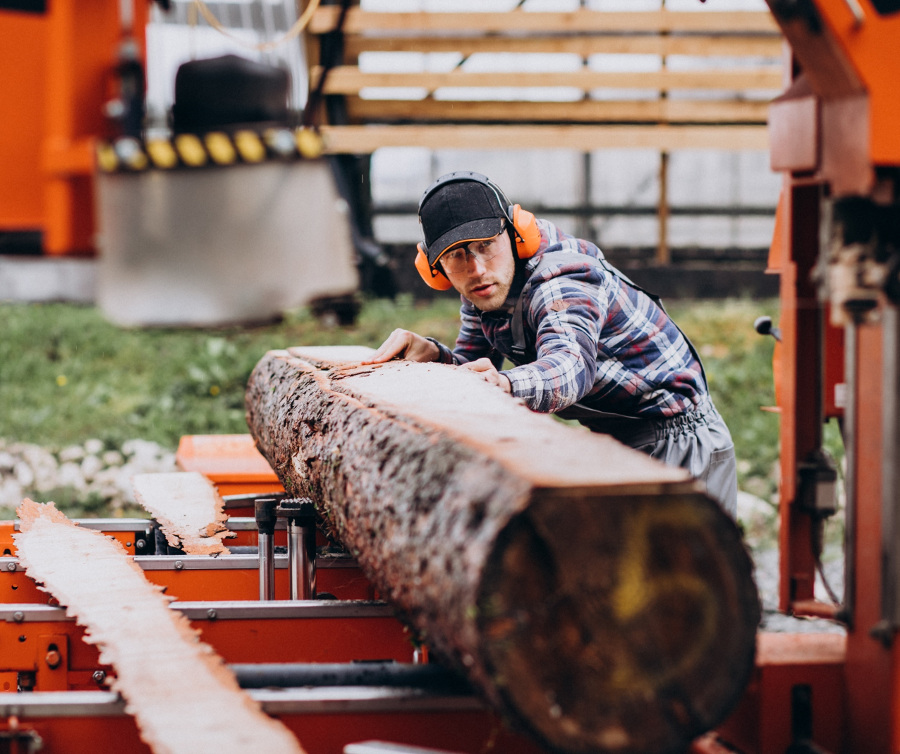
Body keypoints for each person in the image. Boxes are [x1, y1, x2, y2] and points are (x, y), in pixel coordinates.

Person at [365, 171, 738, 515]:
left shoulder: (562, 278)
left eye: (485, 245)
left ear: (516, 235)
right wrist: (434, 355)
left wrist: (507, 384)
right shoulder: (485, 288)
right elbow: (474, 367)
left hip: (678, 441)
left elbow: (569, 368)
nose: (476, 268)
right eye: (456, 255)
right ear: (435, 270)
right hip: (619, 436)